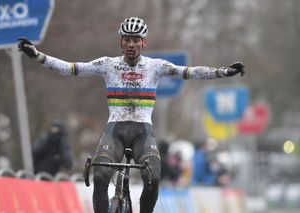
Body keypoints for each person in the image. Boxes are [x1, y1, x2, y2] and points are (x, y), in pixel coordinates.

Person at [18, 17, 245, 213]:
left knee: (153, 177)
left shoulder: (155, 66)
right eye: (127, 39)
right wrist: (37, 56)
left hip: (142, 133)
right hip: (115, 131)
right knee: (100, 176)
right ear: (120, 41)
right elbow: (70, 68)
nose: (131, 44)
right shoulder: (107, 65)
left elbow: (189, 72)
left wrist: (222, 72)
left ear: (144, 42)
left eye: (136, 40)